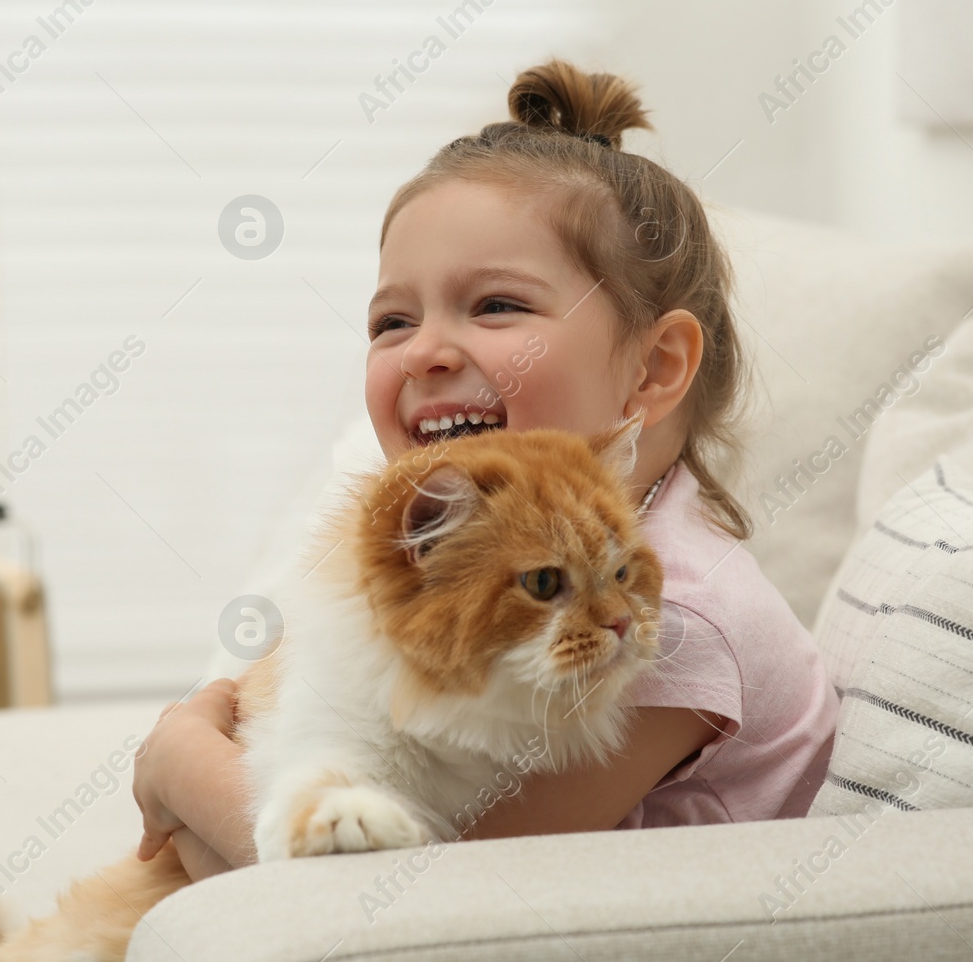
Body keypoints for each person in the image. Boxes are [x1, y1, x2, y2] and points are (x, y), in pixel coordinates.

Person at [131, 57, 840, 879]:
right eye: (392, 320)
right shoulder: (502, 550)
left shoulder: (675, 624)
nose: (426, 350)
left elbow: (423, 891)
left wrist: (181, 765)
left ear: (652, 370)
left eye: (497, 304)